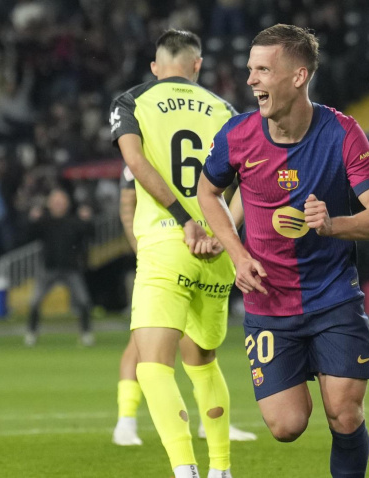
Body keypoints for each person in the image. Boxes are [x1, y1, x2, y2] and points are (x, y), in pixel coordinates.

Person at [198, 24, 369, 478]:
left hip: (333, 298)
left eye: (263, 70)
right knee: (286, 425)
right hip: (269, 303)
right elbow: (207, 192)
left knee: (344, 413)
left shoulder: (343, 132)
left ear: (298, 76)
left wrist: (333, 224)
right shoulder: (236, 136)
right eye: (250, 69)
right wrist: (237, 254)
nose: (250, 80)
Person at [109, 29, 241, 478]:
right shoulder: (226, 110)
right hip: (218, 252)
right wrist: (224, 235)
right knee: (202, 362)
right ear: (198, 65)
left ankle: (185, 471)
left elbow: (136, 163)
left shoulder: (132, 102)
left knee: (154, 366)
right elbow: (248, 184)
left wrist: (182, 220)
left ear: (154, 67)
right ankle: (221, 470)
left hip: (168, 243)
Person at [112, 163, 256, 446]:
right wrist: (142, 250)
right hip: (166, 250)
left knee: (200, 347)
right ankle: (125, 421)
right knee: (142, 344)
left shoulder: (184, 137)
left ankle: (208, 423)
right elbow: (128, 202)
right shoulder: (148, 144)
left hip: (202, 252)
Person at [25, 188, 95, 347]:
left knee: (84, 302)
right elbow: (28, 235)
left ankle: (86, 334)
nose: (58, 204)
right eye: (55, 201)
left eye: (61, 201)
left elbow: (90, 235)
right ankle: (31, 333)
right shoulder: (44, 221)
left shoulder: (73, 221)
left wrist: (87, 220)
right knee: (34, 302)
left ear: (67, 203)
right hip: (49, 268)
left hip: (71, 269)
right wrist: (32, 220)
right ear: (50, 204)